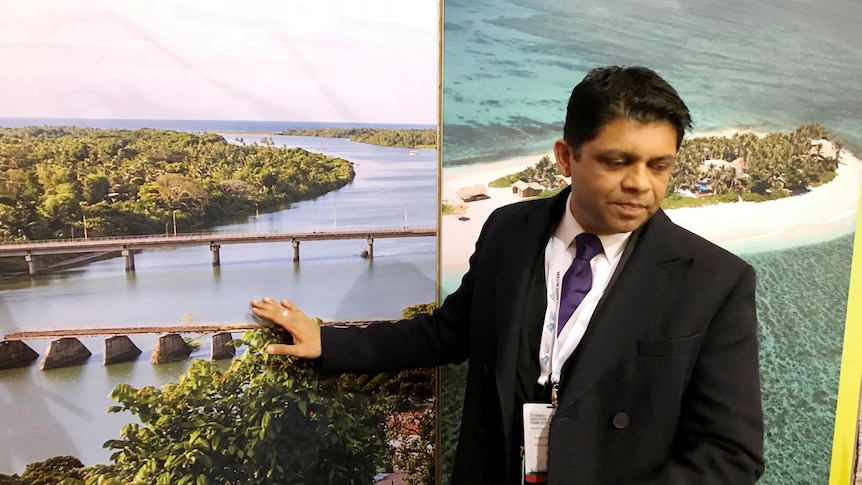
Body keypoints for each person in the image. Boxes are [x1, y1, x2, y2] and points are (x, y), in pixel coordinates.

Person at [251, 66, 764, 484]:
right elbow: (447, 333)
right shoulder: (509, 231)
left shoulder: (714, 281)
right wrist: (329, 342)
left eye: (659, 166)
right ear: (566, 157)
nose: (640, 184)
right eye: (618, 161)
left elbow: (730, 453)